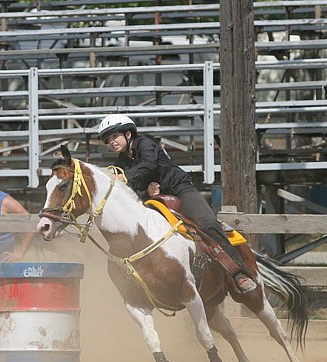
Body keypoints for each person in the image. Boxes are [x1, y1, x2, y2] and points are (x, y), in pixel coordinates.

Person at [97, 114, 257, 293]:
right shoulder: (121, 162)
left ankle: (239, 272)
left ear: (128, 134)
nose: (111, 141)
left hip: (179, 190)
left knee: (208, 222)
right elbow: (134, 190)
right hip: (154, 201)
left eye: (114, 136)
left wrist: (123, 177)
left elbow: (148, 167)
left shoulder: (145, 144)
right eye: (107, 139)